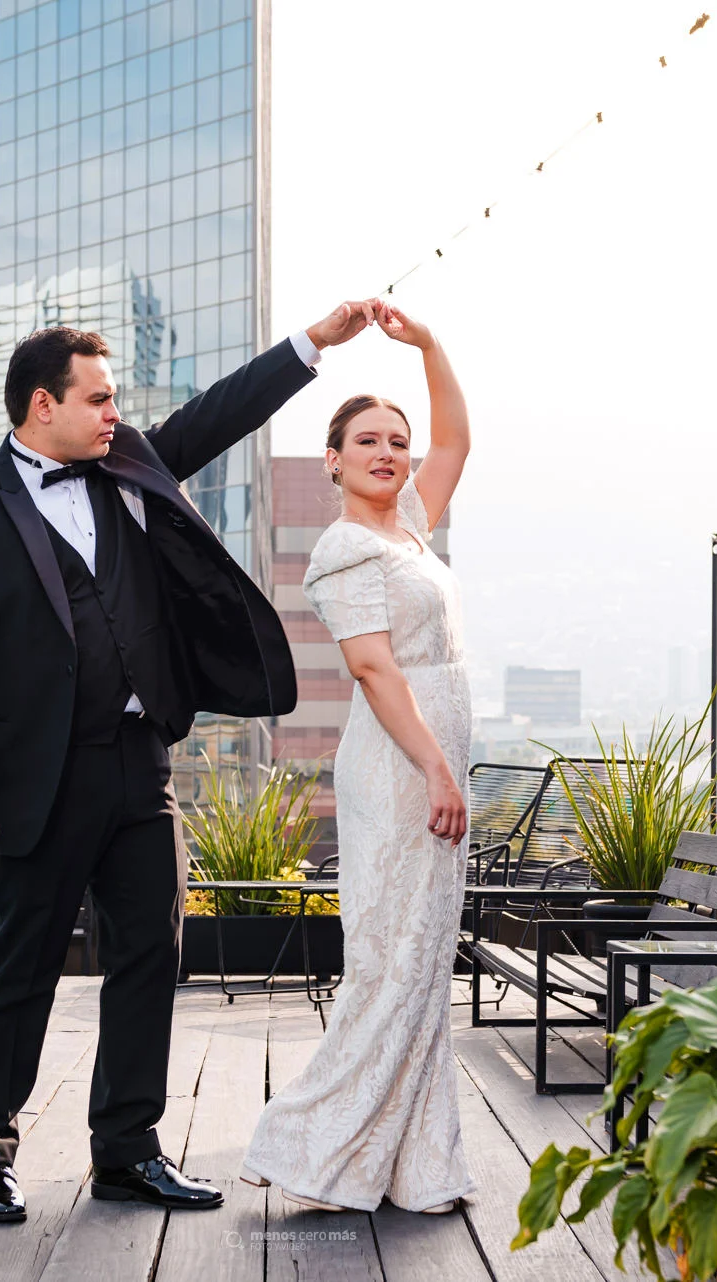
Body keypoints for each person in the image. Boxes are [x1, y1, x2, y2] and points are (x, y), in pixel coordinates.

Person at [0, 302, 379, 1223]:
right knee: (19, 968)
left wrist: (314, 343)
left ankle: (127, 1151)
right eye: (99, 399)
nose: (114, 413)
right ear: (43, 405)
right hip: (34, 778)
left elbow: (217, 413)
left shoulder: (129, 467)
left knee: (148, 961)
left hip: (138, 766)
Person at [241, 300, 476, 1214]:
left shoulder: (409, 525)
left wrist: (430, 346)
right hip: (401, 769)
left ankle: (414, 1165)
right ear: (332, 460)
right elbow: (373, 668)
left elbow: (457, 441)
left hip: (428, 764)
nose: (390, 452)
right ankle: (306, 1146)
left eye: (397, 442)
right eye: (368, 440)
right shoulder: (344, 547)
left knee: (423, 964)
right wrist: (436, 767)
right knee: (392, 961)